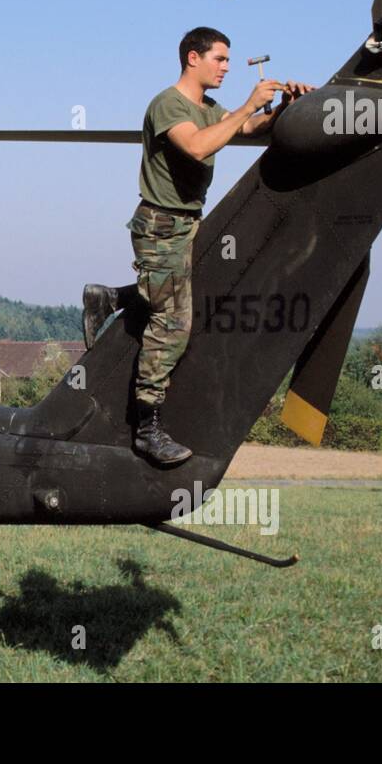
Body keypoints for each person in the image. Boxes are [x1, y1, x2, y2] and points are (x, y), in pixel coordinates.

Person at [82, 27, 313, 463]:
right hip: (160, 227)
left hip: (186, 224)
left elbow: (247, 128)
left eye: (228, 61)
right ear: (193, 58)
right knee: (173, 325)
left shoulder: (208, 107)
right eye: (220, 59)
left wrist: (283, 108)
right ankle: (146, 429)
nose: (226, 67)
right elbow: (197, 146)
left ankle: (110, 297)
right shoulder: (169, 104)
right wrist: (248, 103)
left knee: (181, 291)